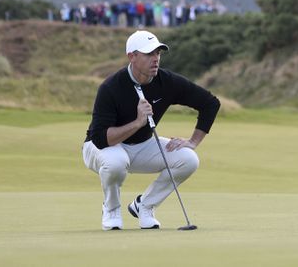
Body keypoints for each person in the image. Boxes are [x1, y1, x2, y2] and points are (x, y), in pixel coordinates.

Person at [82, 30, 221, 231]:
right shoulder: (111, 87)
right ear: (132, 57)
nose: (155, 59)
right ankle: (111, 209)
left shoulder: (167, 81)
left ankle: (145, 206)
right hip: (100, 148)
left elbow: (210, 103)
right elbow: (101, 139)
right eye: (149, 54)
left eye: (158, 53)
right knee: (116, 162)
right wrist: (138, 122)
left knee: (189, 159)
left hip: (142, 146)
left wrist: (193, 142)